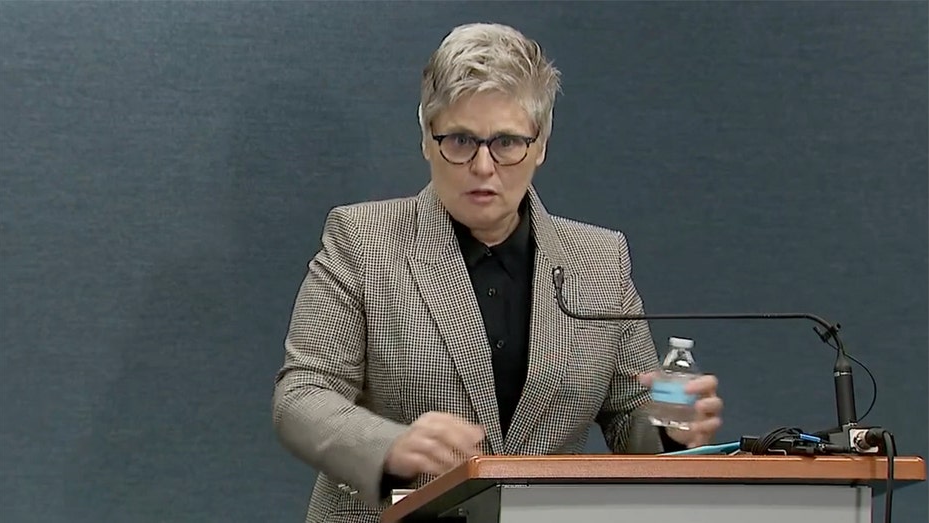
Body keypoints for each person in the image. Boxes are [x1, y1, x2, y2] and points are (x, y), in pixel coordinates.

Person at [273, 22, 724, 523]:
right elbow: (301, 397)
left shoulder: (600, 260)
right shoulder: (362, 240)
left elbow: (631, 417)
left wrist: (670, 427)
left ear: (541, 145)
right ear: (427, 139)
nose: (483, 166)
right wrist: (392, 446)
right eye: (460, 140)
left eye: (507, 142)